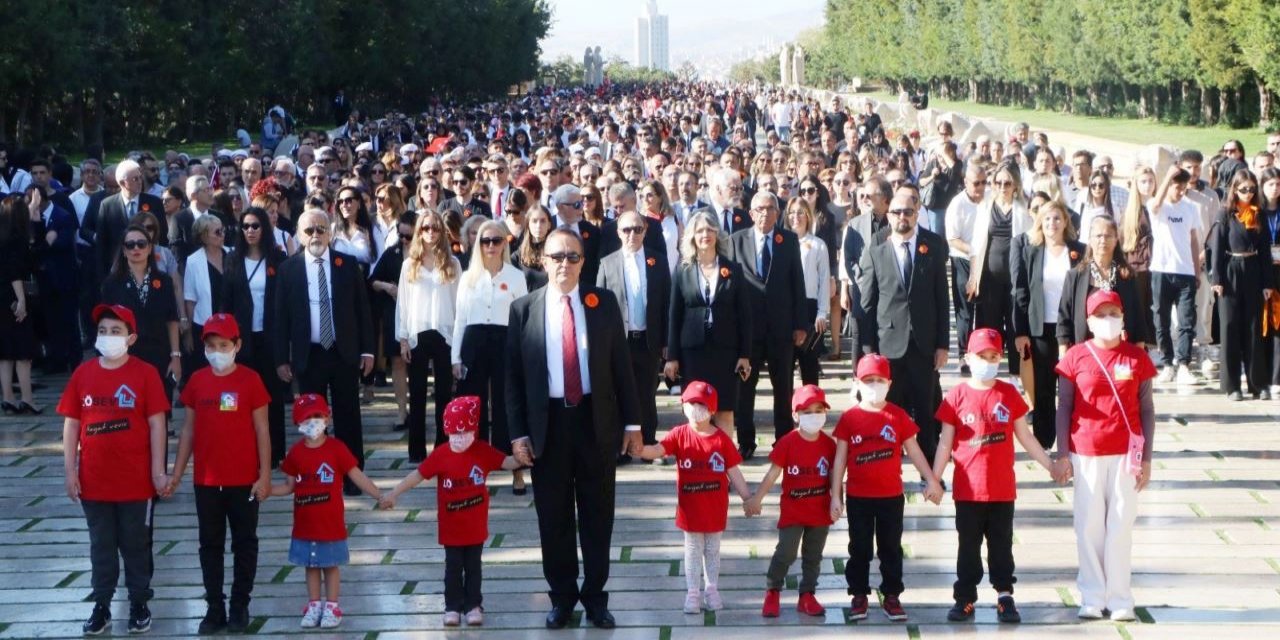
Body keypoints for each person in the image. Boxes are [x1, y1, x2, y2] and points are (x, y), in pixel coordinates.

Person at [505, 228, 641, 630]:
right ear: (542, 260)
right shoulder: (523, 309)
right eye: (557, 256)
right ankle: (562, 598)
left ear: (585, 262)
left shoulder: (603, 304)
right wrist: (517, 434)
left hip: (596, 423)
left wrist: (633, 424)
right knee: (554, 517)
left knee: (599, 515)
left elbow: (622, 368)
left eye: (573, 256)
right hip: (547, 425)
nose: (565, 263)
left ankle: (596, 598)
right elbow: (512, 379)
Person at [932, 328, 1056, 625]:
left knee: (1001, 547)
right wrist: (934, 479)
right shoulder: (956, 396)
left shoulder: (1008, 394)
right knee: (968, 548)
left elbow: (1025, 438)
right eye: (981, 356)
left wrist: (1050, 465)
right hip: (968, 491)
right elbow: (945, 443)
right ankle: (965, 597)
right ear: (968, 358)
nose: (988, 361)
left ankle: (1004, 595)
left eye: (993, 356)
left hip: (1002, 491)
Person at [59, 304, 169, 635]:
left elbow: (157, 424)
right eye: (103, 331)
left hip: (136, 483)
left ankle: (139, 602)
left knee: (136, 544)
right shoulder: (83, 373)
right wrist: (70, 470)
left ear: (131, 338)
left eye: (116, 331)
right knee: (101, 545)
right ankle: (102, 605)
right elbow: (71, 424)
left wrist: (158, 471)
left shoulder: (145, 374)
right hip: (95, 482)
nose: (108, 337)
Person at [1053, 290, 1158, 622]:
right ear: (1089, 321)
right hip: (1086, 452)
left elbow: (1147, 410)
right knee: (1088, 526)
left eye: (1114, 313)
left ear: (1123, 317)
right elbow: (1064, 407)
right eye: (1101, 314)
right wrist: (1063, 453)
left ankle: (1120, 597)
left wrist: (1147, 460)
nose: (1108, 320)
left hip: (1126, 455)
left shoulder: (1136, 359)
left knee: (1121, 525)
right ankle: (1092, 596)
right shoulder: (1075, 358)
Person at [167, 314, 271, 634]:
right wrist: (177, 473)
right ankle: (214, 606)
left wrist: (264, 475)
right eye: (211, 345)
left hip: (243, 480)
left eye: (223, 345)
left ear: (237, 345)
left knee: (244, 542)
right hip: (207, 482)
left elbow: (262, 430)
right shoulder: (197, 381)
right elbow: (188, 431)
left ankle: (240, 604)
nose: (217, 351)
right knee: (209, 544)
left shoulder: (251, 380)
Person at [379, 396, 522, 627]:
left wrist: (523, 457)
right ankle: (452, 606)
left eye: (464, 432)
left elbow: (505, 462)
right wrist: (394, 493)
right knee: (453, 567)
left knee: (474, 566)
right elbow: (417, 476)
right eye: (453, 433)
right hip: (451, 527)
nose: (459, 438)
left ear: (474, 430)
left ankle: (474, 604)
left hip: (475, 526)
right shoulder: (441, 454)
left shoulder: (481, 451)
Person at [830, 355, 942, 622]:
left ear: (889, 384)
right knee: (859, 548)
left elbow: (913, 450)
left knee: (891, 547)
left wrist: (931, 479)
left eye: (880, 380)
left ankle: (892, 595)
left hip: (891, 496)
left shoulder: (897, 415)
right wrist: (836, 495)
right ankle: (859, 594)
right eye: (869, 380)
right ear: (857, 382)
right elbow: (840, 459)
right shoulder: (850, 418)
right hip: (859, 497)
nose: (874, 385)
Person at [274, 209, 375, 496]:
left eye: (321, 229)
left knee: (348, 415)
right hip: (309, 354)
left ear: (330, 232)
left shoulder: (347, 264)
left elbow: (362, 310)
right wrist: (281, 358)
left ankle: (353, 476)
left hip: (343, 351)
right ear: (299, 234)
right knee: (313, 418)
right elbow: (280, 318)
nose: (316, 235)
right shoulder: (288, 269)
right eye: (309, 231)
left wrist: (368, 350)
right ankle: (318, 472)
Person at [633, 381, 753, 614]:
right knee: (692, 548)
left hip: (715, 508)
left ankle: (712, 588)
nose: (696, 408)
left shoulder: (721, 440)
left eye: (702, 404)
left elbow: (734, 472)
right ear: (683, 406)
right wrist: (641, 450)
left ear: (712, 410)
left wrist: (748, 498)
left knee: (713, 549)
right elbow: (659, 450)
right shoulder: (679, 434)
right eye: (692, 403)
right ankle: (692, 592)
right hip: (690, 509)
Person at [271, 394, 384, 629]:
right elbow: (289, 486)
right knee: (311, 566)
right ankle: (314, 605)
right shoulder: (295, 453)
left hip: (330, 524)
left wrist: (379, 495)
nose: (313, 422)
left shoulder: (337, 449)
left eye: (317, 416)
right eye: (307, 418)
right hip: (305, 525)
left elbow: (356, 475)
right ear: (298, 423)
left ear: (327, 418)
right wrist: (267, 490)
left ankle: (332, 605)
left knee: (331, 565)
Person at [857, 192, 950, 462]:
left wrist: (943, 344)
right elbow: (868, 305)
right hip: (888, 346)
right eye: (897, 212)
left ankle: (930, 469)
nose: (902, 217)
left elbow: (941, 300)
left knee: (925, 408)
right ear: (888, 215)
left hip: (923, 344)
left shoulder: (931, 247)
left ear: (916, 214)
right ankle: (889, 464)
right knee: (890, 410)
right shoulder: (876, 252)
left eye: (908, 212)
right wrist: (868, 352)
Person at [746, 384, 836, 619]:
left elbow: (836, 477)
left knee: (813, 556)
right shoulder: (787, 442)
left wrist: (838, 501)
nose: (813, 416)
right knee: (786, 551)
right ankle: (773, 590)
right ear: (796, 415)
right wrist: (757, 498)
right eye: (807, 412)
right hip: (793, 512)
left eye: (818, 410)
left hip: (820, 512)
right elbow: (773, 473)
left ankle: (807, 594)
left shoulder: (829, 445)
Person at [451, 220, 529, 490]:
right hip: (474, 341)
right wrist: (455, 358)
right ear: (478, 245)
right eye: (486, 241)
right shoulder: (468, 277)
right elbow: (460, 319)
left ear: (504, 243)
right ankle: (477, 466)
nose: (491, 246)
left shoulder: (515, 276)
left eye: (497, 240)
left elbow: (523, 319)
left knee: (506, 404)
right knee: (474, 404)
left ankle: (515, 468)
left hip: (504, 340)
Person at [731, 192, 807, 458]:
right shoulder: (735, 241)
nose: (765, 213)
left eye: (770, 208)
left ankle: (783, 440)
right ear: (751, 213)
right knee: (745, 388)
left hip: (781, 328)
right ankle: (746, 441)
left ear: (778, 212)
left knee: (783, 386)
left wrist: (800, 324)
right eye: (760, 209)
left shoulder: (787, 240)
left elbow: (797, 282)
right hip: (748, 330)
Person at [666, 211, 753, 433]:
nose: (705, 234)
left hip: (725, 352)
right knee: (696, 410)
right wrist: (672, 357)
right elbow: (674, 315)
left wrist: (745, 354)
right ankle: (698, 462)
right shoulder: (682, 270)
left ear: (717, 234)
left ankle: (723, 464)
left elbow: (744, 314)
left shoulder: (733, 270)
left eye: (710, 230)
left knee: (724, 409)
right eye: (700, 230)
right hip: (693, 353)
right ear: (692, 236)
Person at [597, 211, 672, 457]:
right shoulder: (607, 263)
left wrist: (666, 342)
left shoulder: (657, 261)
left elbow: (666, 304)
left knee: (647, 393)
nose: (632, 235)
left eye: (637, 229)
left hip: (648, 340)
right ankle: (620, 447)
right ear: (618, 232)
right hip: (619, 342)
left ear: (645, 231)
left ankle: (647, 444)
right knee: (617, 393)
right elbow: (599, 308)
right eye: (627, 230)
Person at [1012, 201, 1085, 448]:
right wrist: (1020, 331)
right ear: (1040, 224)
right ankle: (1044, 442)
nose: (1052, 224)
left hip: (1072, 330)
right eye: (1047, 220)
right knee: (1043, 388)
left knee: (1073, 387)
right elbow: (1021, 292)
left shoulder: (1079, 251)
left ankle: (1074, 440)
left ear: (1065, 221)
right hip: (1041, 329)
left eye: (1056, 218)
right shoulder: (1032, 251)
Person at [221, 208, 288, 464]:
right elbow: (225, 303)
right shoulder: (233, 260)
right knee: (239, 395)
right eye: (246, 226)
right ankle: (243, 449)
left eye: (256, 226)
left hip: (270, 337)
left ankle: (276, 452)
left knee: (272, 394)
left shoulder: (277, 259)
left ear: (265, 229)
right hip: (241, 339)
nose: (250, 231)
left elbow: (284, 303)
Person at [396, 210, 461, 459]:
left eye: (435, 228)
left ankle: (443, 447)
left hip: (445, 333)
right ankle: (416, 450)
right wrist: (403, 338)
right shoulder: (409, 264)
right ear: (418, 232)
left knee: (445, 393)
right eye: (425, 228)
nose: (430, 232)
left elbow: (459, 304)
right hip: (418, 332)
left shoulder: (452, 263)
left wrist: (458, 340)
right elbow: (403, 304)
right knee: (419, 394)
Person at [1208, 170, 1275, 399]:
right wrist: (1216, 278)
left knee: (1254, 328)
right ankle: (1232, 385)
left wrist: (1268, 282)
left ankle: (1257, 384)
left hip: (1253, 269)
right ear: (1235, 189)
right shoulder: (1225, 214)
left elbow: (1265, 251)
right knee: (1229, 328)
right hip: (1230, 269)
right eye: (1243, 189)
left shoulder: (1260, 215)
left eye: (1251, 189)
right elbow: (1216, 248)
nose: (1248, 193)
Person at [100, 224, 182, 408]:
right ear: (123, 250)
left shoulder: (164, 281)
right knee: (128, 410)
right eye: (130, 245)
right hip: (126, 354)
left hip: (158, 354)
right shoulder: (112, 284)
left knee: (159, 411)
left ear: (150, 247)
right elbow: (105, 323)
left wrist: (175, 356)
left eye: (141, 243)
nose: (136, 248)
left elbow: (172, 319)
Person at [967, 163, 1033, 371]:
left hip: (1015, 278)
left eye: (1007, 183)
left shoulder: (1023, 208)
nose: (1002, 187)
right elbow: (977, 244)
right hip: (989, 278)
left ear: (1015, 185)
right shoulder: (986, 206)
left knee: (1015, 324)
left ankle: (1016, 372)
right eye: (998, 182)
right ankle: (989, 369)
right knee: (991, 325)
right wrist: (972, 277)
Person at [1148, 166, 1205, 386]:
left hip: (1185, 271)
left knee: (1186, 321)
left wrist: (1196, 270)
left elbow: (1193, 239)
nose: (1181, 192)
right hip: (1161, 270)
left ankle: (1183, 365)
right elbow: (1154, 204)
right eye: (1177, 187)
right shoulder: (1159, 206)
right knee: (1160, 320)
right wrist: (1167, 176)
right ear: (1169, 185)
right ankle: (1167, 363)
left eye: (1183, 188)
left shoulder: (1190, 208)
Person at [1058, 217, 1148, 351]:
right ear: (1089, 239)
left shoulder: (1127, 275)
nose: (1103, 240)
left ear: (1116, 239)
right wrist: (1063, 353)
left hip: (1121, 351)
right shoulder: (1075, 276)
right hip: (1085, 351)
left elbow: (1138, 316)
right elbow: (1064, 319)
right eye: (1098, 236)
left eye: (1108, 236)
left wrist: (1140, 350)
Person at [841, 177, 892, 358]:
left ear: (885, 198)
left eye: (870, 195)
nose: (865, 199)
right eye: (863, 195)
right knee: (863, 340)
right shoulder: (856, 224)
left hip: (890, 293)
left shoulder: (897, 222)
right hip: (863, 291)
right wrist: (861, 279)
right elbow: (849, 259)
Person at [784, 197, 831, 385]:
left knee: (809, 365)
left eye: (801, 212)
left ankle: (812, 410)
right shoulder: (781, 242)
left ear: (808, 216)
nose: (796, 217)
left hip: (810, 307)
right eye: (792, 212)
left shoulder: (818, 244)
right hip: (786, 308)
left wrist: (822, 312)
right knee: (785, 367)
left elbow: (824, 280)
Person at [0, 196, 38, 413]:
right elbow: (15, 272)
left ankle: (8, 397)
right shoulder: (17, 240)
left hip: (0, 297)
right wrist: (21, 300)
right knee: (23, 352)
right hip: (14, 295)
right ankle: (27, 398)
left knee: (5, 352)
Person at [946, 164, 987, 365]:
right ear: (966, 183)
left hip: (983, 260)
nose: (980, 187)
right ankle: (964, 353)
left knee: (984, 308)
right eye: (976, 183)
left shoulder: (988, 201)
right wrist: (973, 250)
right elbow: (952, 238)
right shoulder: (957, 204)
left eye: (984, 183)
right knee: (965, 309)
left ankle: (981, 349)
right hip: (962, 259)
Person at [183, 214, 228, 375]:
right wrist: (188, 333)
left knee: (228, 375)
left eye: (223, 230)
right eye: (217, 232)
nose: (222, 234)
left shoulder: (233, 255)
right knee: (207, 373)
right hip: (205, 328)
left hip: (231, 328)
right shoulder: (193, 261)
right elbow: (190, 299)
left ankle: (226, 402)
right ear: (204, 236)